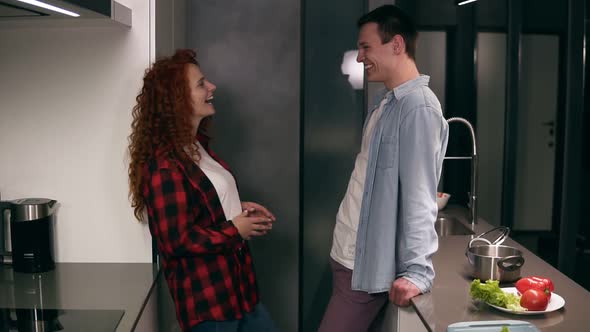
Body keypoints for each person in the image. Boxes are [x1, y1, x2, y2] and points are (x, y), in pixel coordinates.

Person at [127, 49, 278, 332]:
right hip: (210, 306)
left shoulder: (196, 146)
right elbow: (177, 240)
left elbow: (200, 205)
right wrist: (236, 230)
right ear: (177, 100)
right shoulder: (163, 166)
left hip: (240, 294)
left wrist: (236, 206)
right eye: (201, 84)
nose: (212, 87)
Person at [319, 5, 449, 331]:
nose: (360, 57)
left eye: (366, 47)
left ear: (397, 45)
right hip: (348, 258)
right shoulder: (385, 102)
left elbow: (421, 197)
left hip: (363, 272)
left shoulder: (418, 108)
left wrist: (418, 272)